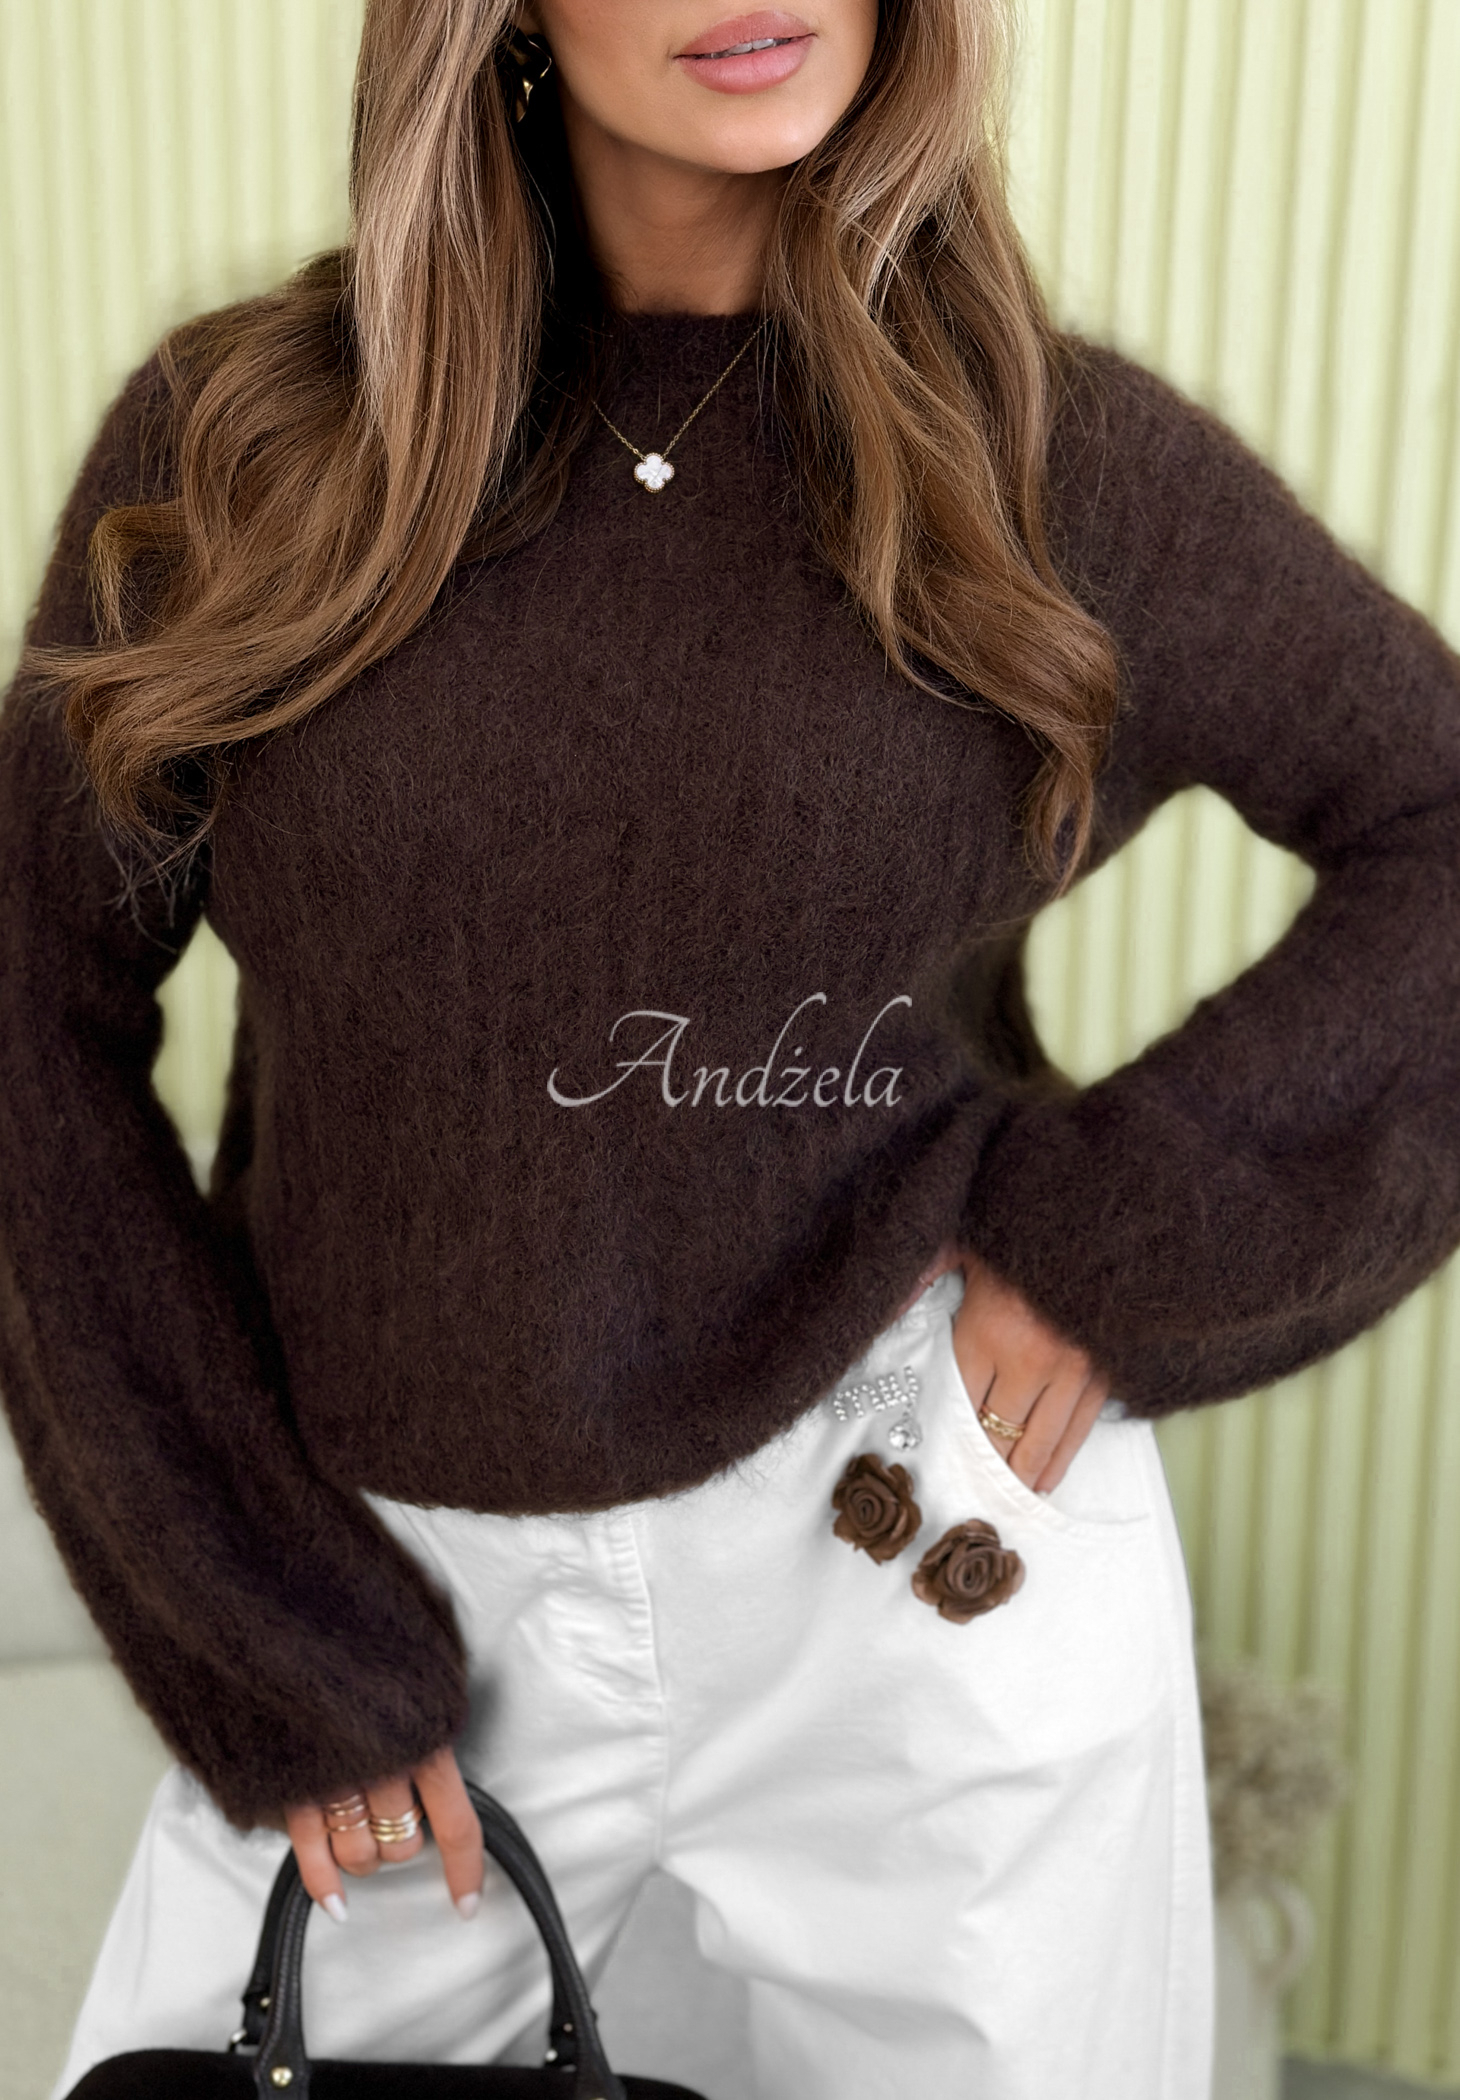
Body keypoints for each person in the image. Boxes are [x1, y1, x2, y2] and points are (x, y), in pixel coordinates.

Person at [4, 0, 1460, 2094]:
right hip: (395, 1575)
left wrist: (1118, 1247)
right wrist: (256, 1617)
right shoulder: (244, 448)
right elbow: (30, 1017)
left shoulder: (1050, 459)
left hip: (917, 1535)